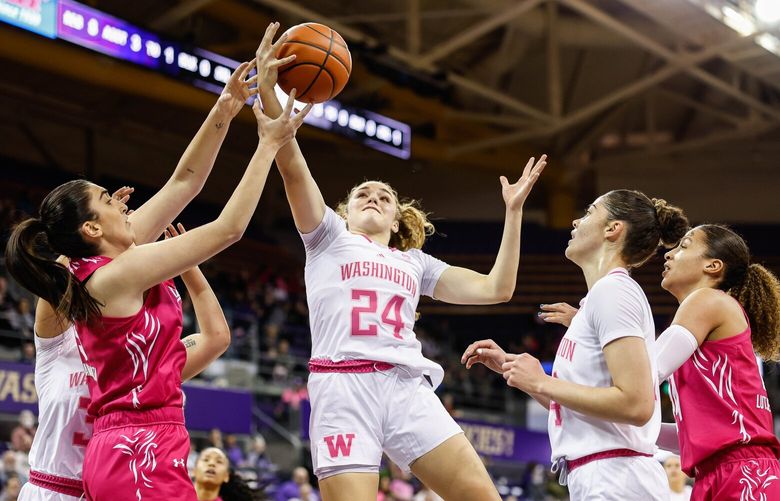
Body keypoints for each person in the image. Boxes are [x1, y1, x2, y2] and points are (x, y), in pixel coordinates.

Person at [255, 21, 545, 501]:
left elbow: (497, 289)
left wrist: (512, 214)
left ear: (396, 218)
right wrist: (268, 92)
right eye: (362, 194)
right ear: (344, 212)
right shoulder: (326, 237)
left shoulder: (416, 263)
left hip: (407, 387)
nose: (373, 197)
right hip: (342, 388)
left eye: (384, 196)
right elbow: (290, 163)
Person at [5, 51, 309, 500]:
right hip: (84, 475)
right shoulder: (89, 286)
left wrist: (224, 108)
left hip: (117, 462)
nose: (122, 201)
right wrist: (267, 144)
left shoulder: (113, 270)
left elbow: (184, 184)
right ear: (89, 230)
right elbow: (227, 229)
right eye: (109, 198)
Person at [463, 190, 689, 500]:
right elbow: (580, 410)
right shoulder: (598, 299)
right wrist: (523, 377)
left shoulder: (614, 292)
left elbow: (636, 405)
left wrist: (542, 381)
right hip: (603, 475)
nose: (575, 220)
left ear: (613, 229)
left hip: (617, 478)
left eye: (589, 212)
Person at [539, 224, 780, 499]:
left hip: (745, 472)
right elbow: (688, 436)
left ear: (713, 266)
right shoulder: (704, 321)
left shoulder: (708, 300)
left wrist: (596, 331)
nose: (669, 254)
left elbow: (648, 371)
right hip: (715, 473)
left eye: (684, 246)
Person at [193, 447, 258, 501]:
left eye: (219, 461)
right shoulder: (182, 495)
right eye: (206, 459)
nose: (212, 464)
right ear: (194, 471)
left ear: (226, 476)